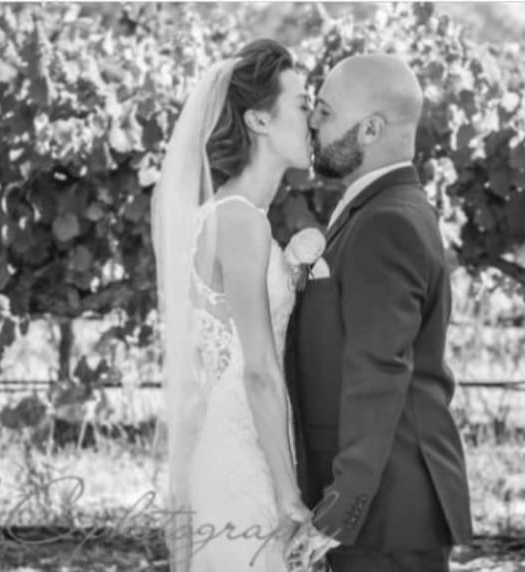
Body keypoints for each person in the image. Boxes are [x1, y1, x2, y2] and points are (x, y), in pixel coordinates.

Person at [285, 54, 474, 572]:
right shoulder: (382, 209)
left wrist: (341, 510)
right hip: (382, 506)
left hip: (385, 511)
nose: (311, 120)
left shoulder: (386, 222)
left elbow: (379, 373)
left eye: (325, 111)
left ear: (370, 129)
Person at [151, 39, 323, 572]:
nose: (314, 120)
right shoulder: (241, 220)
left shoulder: (230, 214)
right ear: (259, 120)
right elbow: (259, 371)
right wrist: (289, 494)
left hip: (236, 444)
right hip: (245, 461)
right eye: (302, 104)